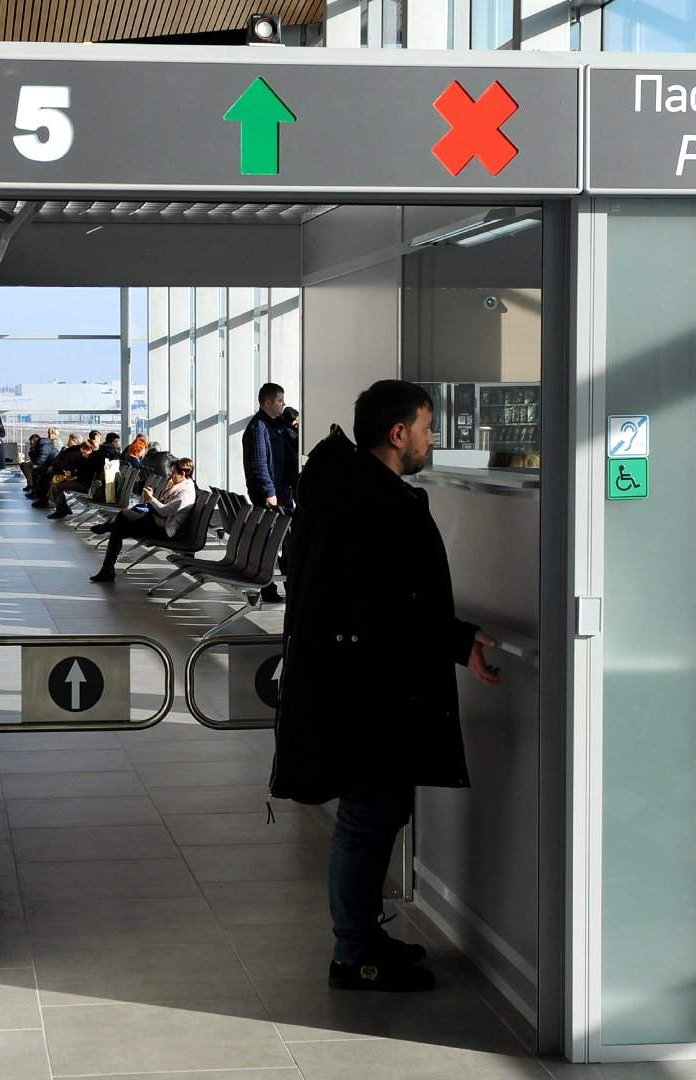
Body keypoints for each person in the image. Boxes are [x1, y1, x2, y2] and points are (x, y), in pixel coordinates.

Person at [270, 379, 503, 993]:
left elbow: (391, 601)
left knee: (377, 813)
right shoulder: (373, 502)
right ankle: (355, 956)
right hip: (369, 693)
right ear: (399, 434)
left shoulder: (347, 490)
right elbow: (394, 605)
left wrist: (457, 640)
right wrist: (456, 639)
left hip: (361, 686)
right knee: (368, 817)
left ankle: (363, 940)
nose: (432, 438)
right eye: (427, 428)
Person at [90, 458, 197, 583]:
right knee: (118, 529)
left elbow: (164, 511)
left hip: (163, 529)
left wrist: (151, 498)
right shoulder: (180, 486)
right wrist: (155, 497)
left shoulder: (185, 493)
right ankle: (107, 569)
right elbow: (164, 506)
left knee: (123, 515)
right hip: (157, 521)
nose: (170, 475)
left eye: (173, 473)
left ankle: (107, 530)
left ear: (182, 474)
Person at [243, 383, 299, 512]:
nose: (283, 404)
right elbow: (259, 464)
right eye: (280, 400)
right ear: (268, 403)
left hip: (282, 490)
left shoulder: (276, 424)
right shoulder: (258, 427)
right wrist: (269, 492)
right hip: (270, 494)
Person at [38, 435, 89, 512]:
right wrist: (53, 466)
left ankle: (58, 507)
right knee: (44, 476)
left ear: (75, 441)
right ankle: (53, 504)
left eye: (70, 440)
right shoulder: (69, 450)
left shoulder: (77, 453)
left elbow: (74, 468)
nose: (68, 441)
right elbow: (58, 460)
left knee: (55, 484)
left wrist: (71, 474)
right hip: (63, 473)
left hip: (70, 476)